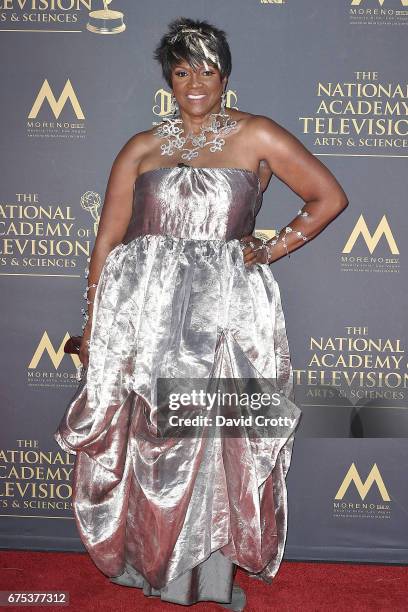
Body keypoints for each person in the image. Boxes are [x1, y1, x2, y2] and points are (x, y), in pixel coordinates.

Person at [54, 16, 348, 611]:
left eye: (207, 70)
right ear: (169, 78)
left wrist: (268, 248)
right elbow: (108, 239)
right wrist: (94, 326)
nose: (195, 82)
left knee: (215, 441)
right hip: (146, 315)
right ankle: (154, 564)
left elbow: (328, 197)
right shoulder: (142, 147)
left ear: (225, 76)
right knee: (154, 437)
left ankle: (208, 580)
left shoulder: (257, 134)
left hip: (224, 319)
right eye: (182, 70)